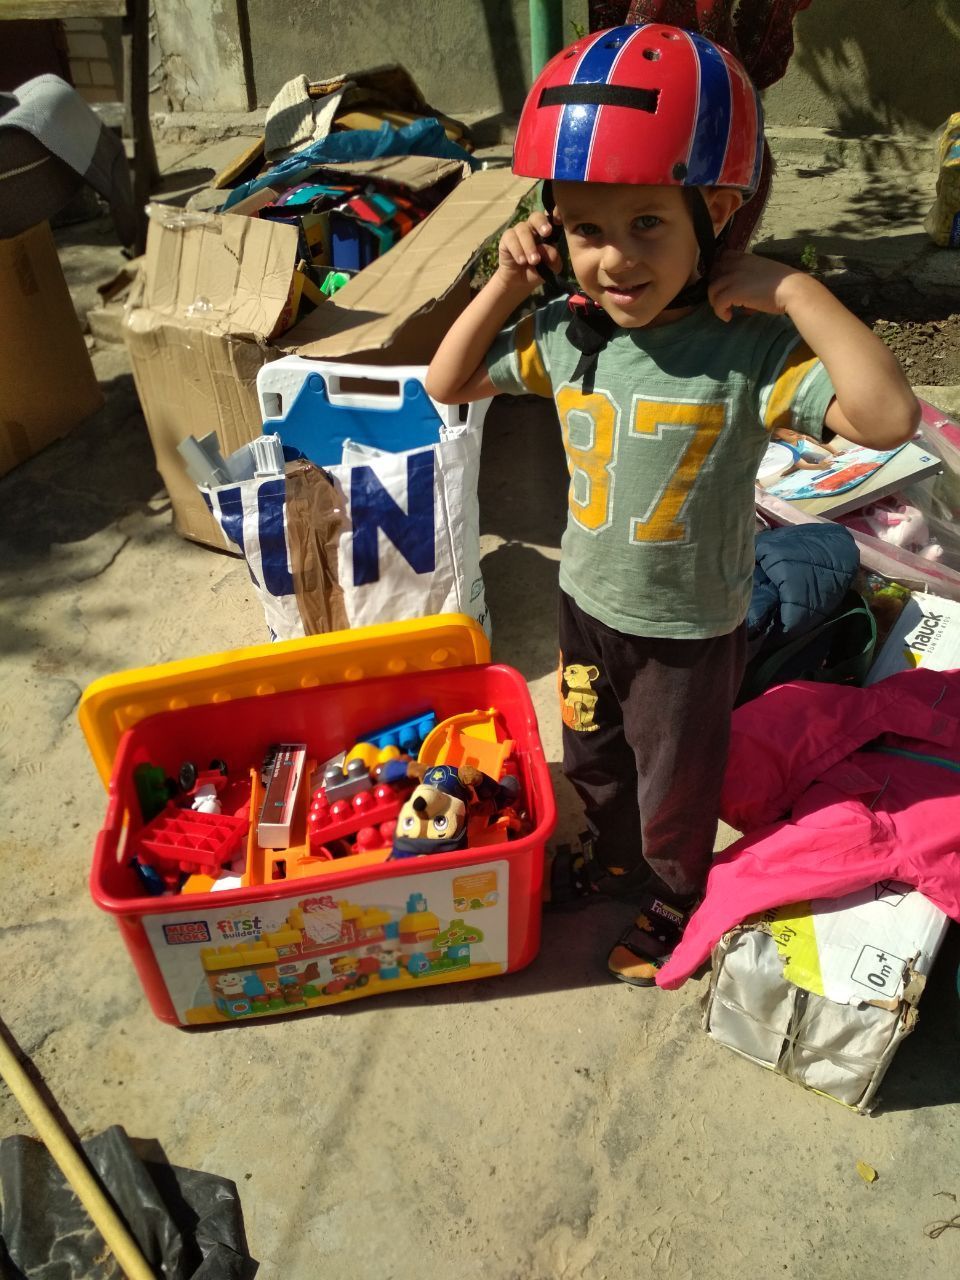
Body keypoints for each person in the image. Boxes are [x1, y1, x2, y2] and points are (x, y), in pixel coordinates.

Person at [424, 22, 919, 987]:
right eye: (585, 229)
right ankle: (614, 861)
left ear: (718, 214)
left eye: (647, 222)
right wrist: (508, 277)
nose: (614, 259)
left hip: (687, 632)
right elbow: (447, 381)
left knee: (677, 782)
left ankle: (671, 889)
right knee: (593, 757)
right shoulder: (567, 333)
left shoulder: (749, 350)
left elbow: (888, 415)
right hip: (585, 605)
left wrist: (797, 290)